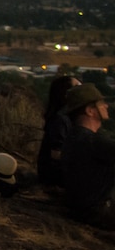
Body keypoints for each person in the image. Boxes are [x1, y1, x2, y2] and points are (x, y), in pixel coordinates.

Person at [61, 84, 115, 229]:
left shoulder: (74, 136)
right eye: (101, 104)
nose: (106, 106)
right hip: (98, 212)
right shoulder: (91, 141)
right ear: (90, 111)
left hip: (82, 209)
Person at [37, 75, 82, 188]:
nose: (81, 87)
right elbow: (56, 153)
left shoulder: (65, 117)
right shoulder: (61, 119)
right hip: (53, 176)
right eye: (77, 86)